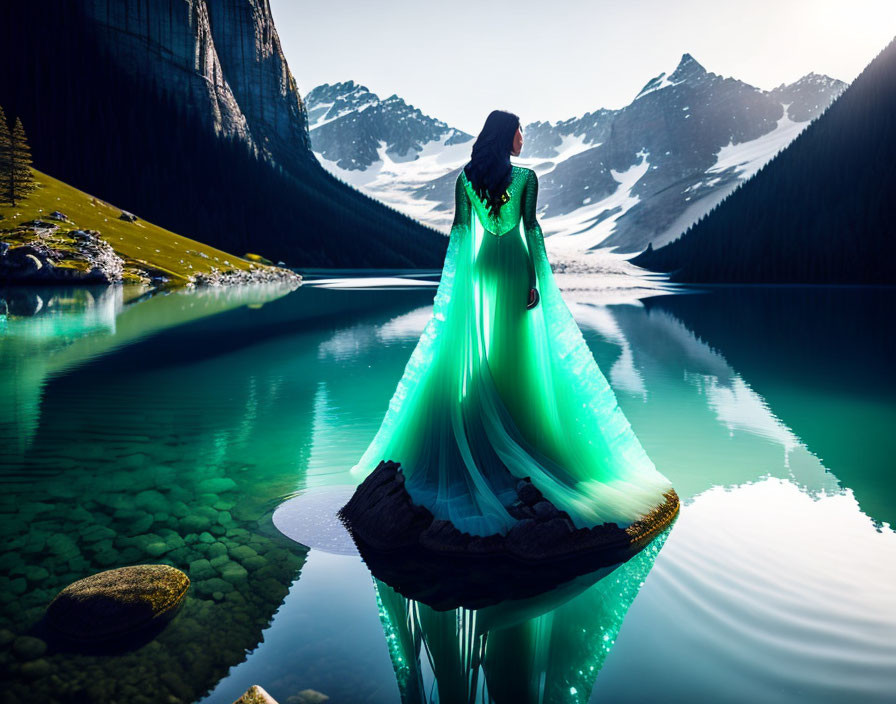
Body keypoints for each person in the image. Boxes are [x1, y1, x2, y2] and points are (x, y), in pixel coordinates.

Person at [347, 109, 676, 542]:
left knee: (490, 346)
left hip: (483, 270)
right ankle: (518, 433)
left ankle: (488, 426)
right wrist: (538, 281)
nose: (524, 137)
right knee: (517, 351)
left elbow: (461, 233)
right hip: (515, 269)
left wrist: (457, 292)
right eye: (521, 130)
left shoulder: (466, 179)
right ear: (508, 135)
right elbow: (531, 230)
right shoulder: (526, 179)